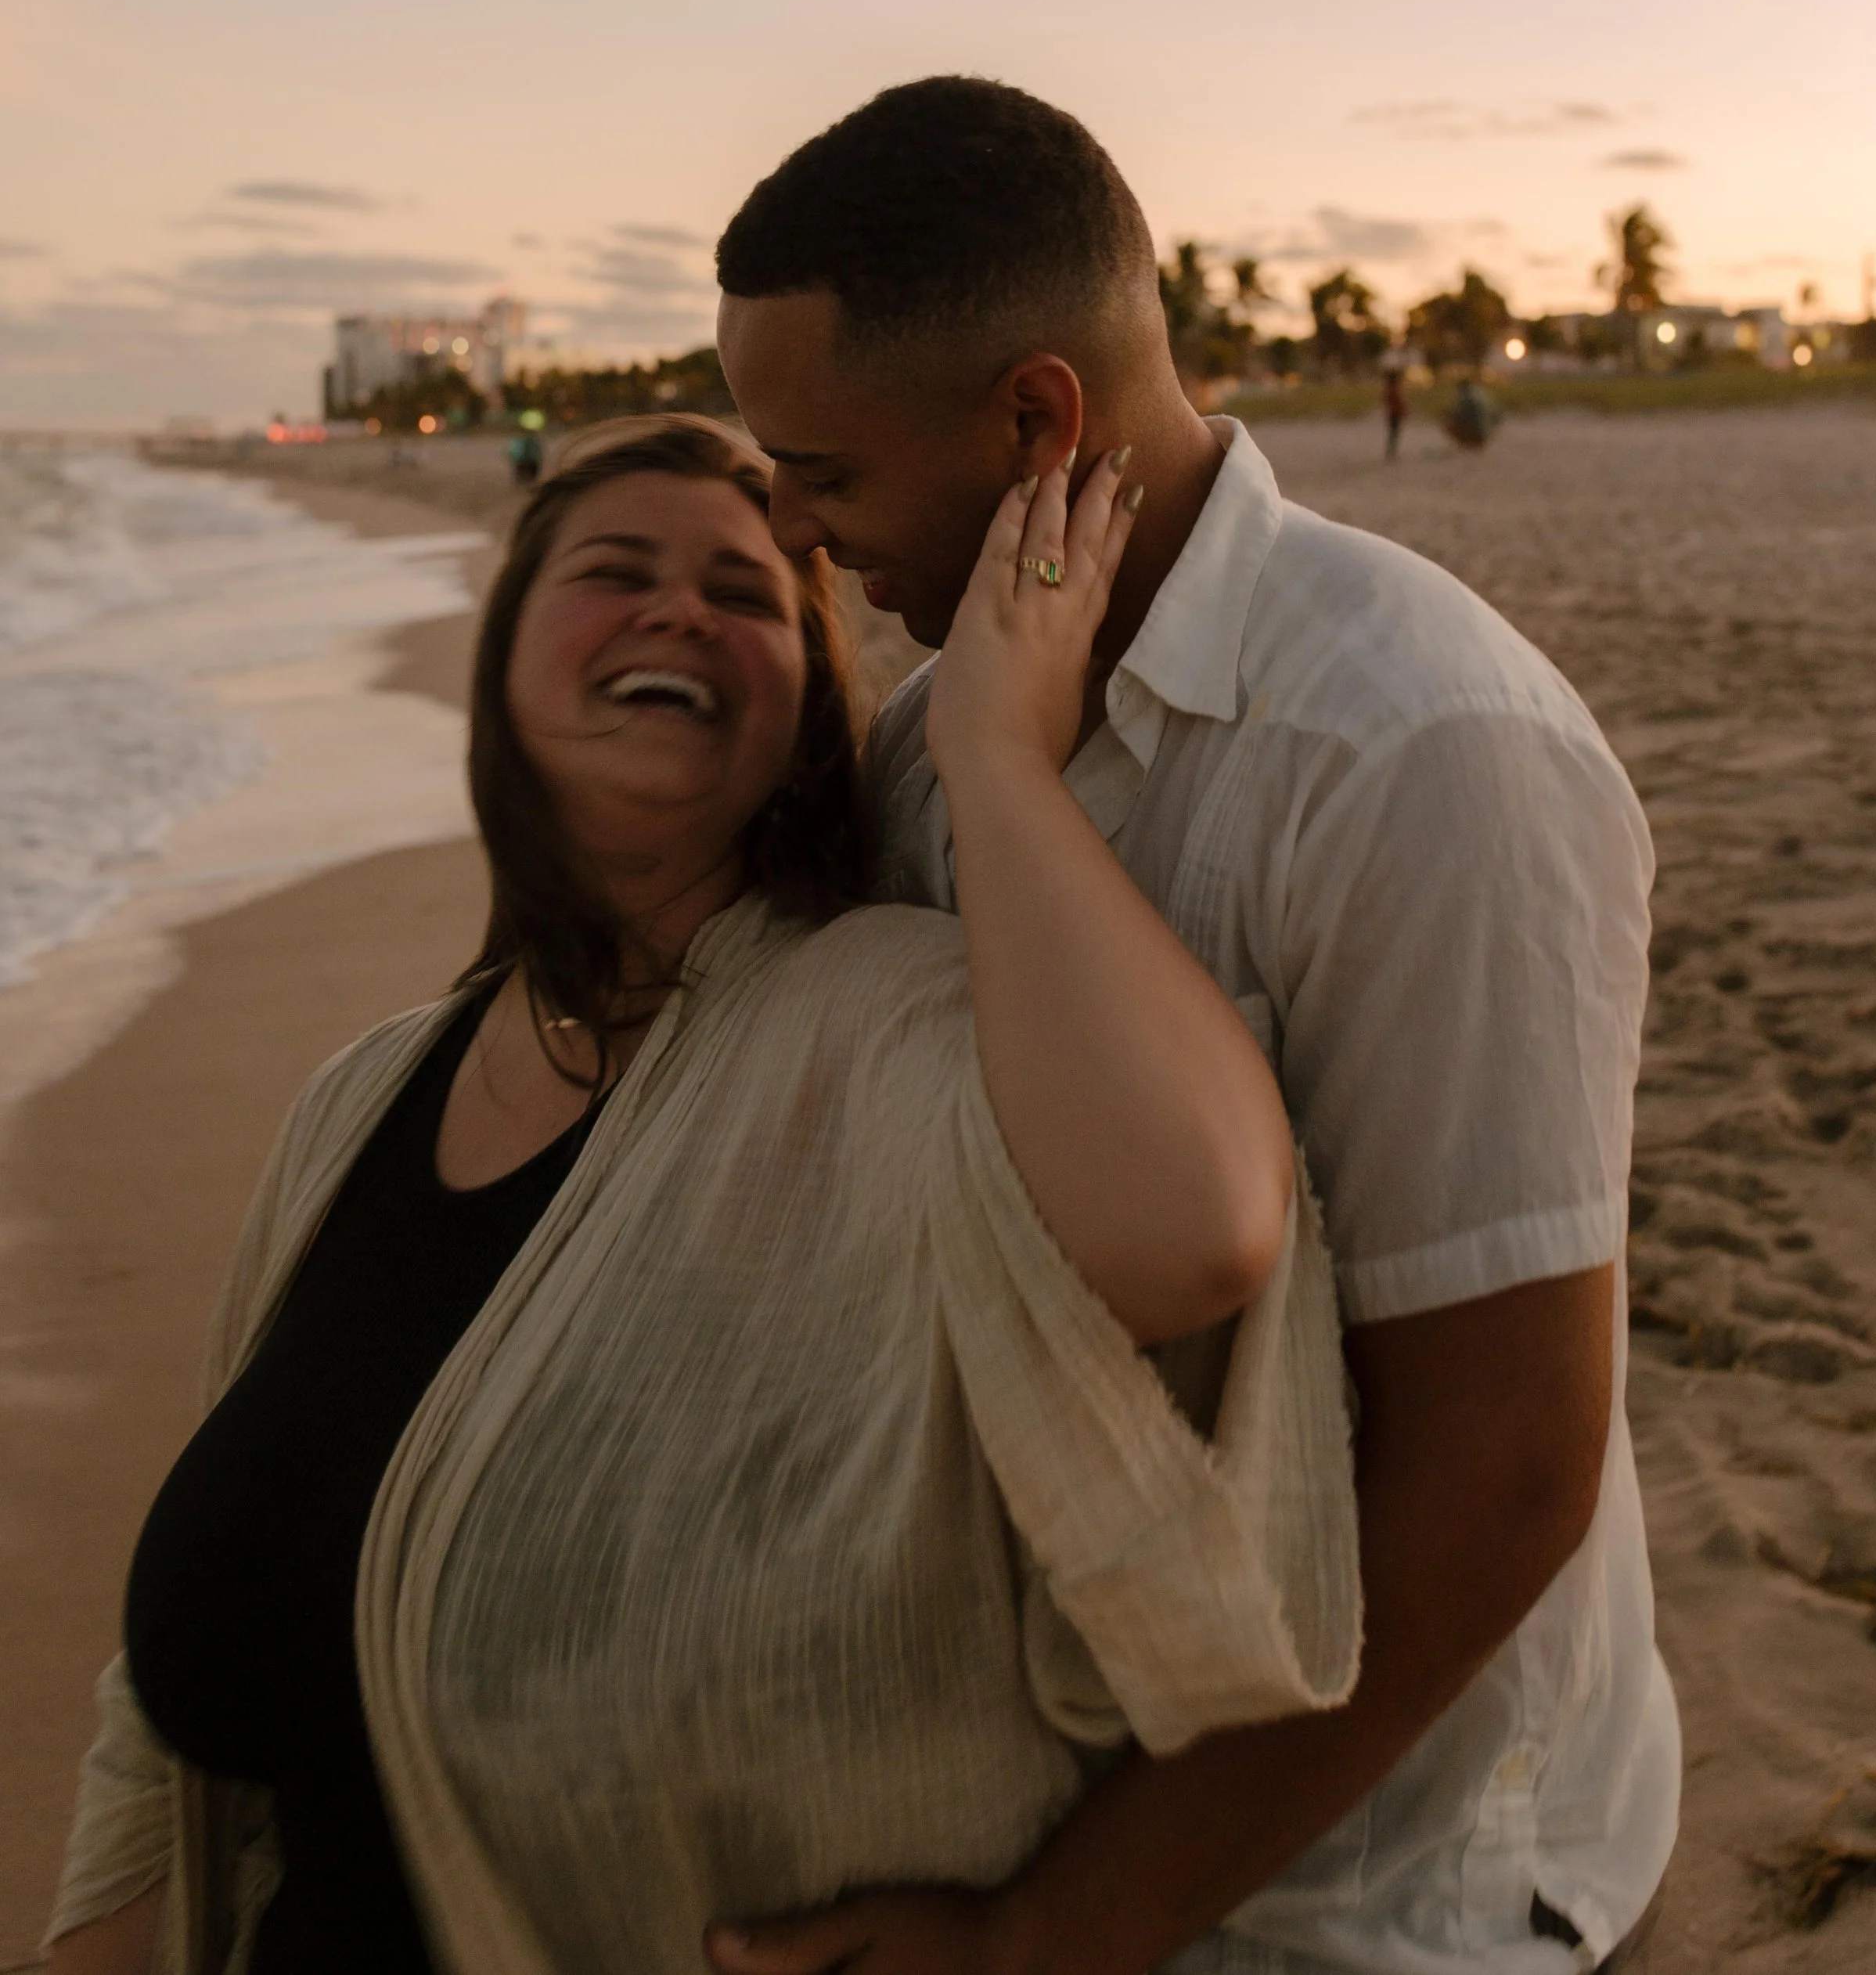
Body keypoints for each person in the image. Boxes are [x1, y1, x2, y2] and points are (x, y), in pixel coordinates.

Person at [46, 416, 1359, 1975]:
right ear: (502, 671)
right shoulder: (360, 1102)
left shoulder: (893, 1022)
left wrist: (996, 755)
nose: (677, 610)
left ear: (801, 715)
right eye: (615, 572)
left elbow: (1198, 1222)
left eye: (744, 596)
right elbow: (171, 1707)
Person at [713, 77, 1675, 1975]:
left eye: (822, 474)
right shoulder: (928, 751)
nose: (802, 540)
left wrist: (1055, 1932)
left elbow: (1500, 1471)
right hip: (1070, 1802)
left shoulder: (1417, 752)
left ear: (1035, 419)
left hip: (1396, 1893)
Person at [1380, 361, 1408, 463]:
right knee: (1394, 434)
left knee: (1393, 434)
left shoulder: (1388, 389)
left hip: (1391, 413)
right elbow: (1399, 402)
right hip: (1394, 414)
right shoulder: (1394, 389)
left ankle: (1391, 453)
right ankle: (1392, 453)